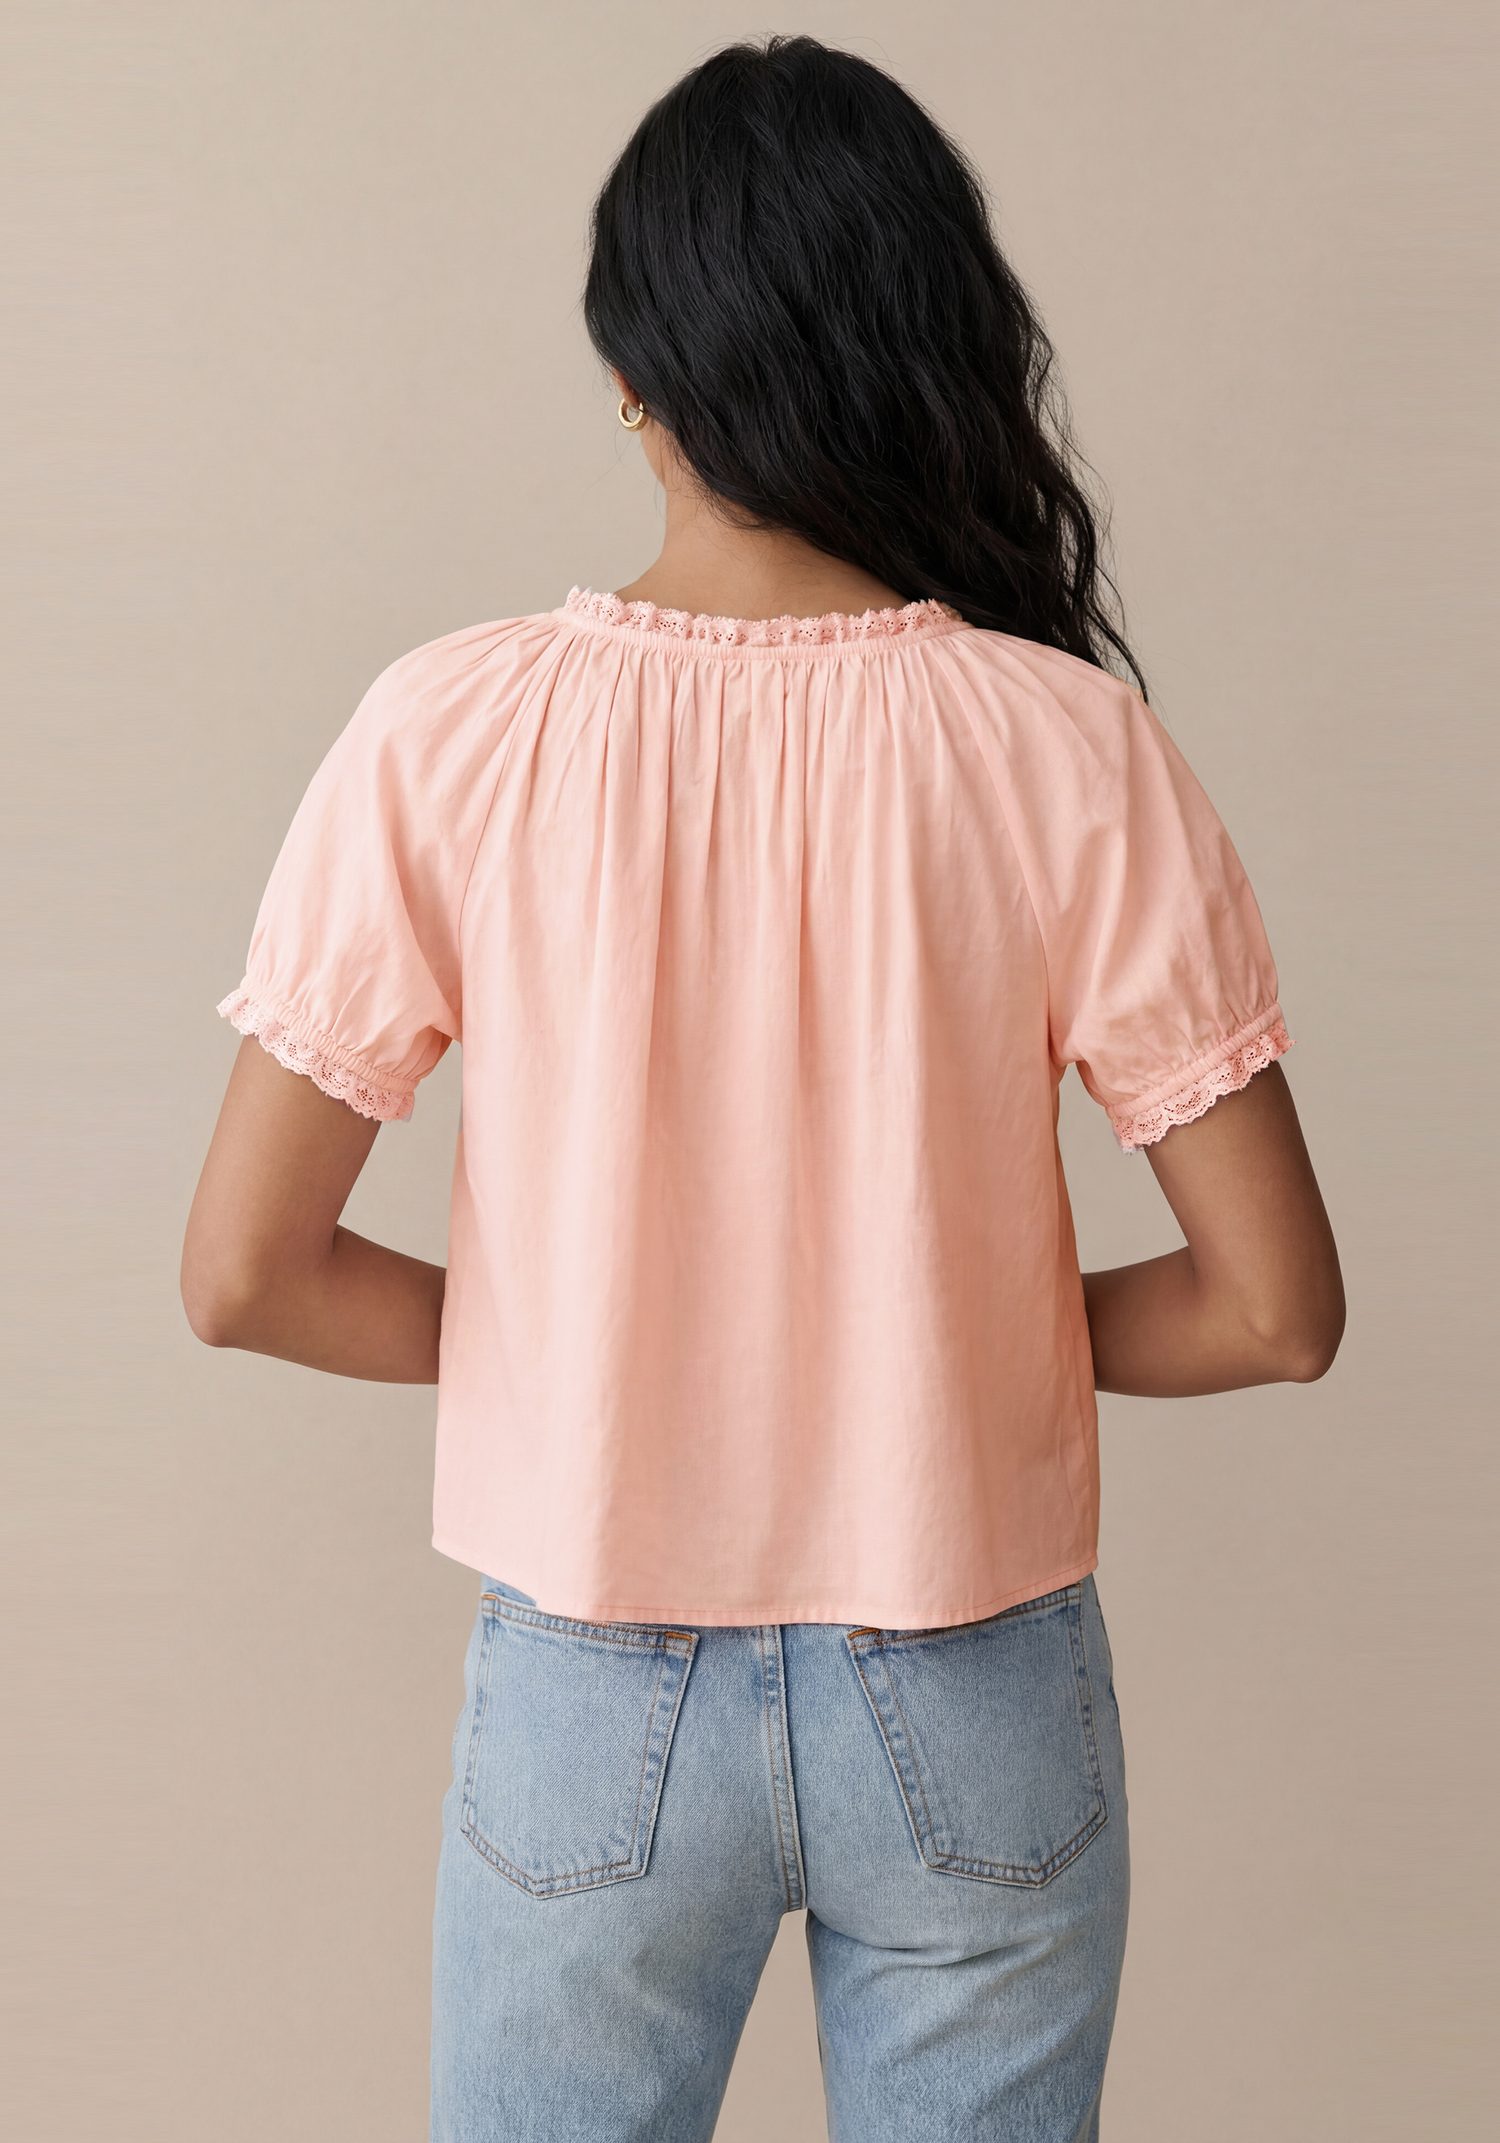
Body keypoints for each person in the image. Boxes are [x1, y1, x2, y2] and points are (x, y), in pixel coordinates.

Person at [180, 35, 1344, 2143]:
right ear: (930, 353)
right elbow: (1276, 1310)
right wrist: (941, 1347)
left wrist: (589, 1350)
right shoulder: (1067, 751)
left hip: (593, 1689)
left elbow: (243, 1273)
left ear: (634, 380)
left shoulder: (452, 736)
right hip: (975, 1686)